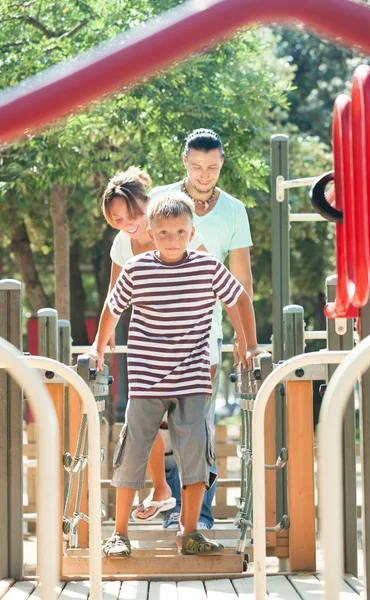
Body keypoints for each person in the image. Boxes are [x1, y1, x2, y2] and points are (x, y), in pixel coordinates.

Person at [88, 192, 260, 557]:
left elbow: (239, 299)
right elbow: (112, 308)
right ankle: (120, 532)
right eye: (164, 232)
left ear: (192, 231)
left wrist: (246, 343)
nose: (172, 239)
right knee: (132, 449)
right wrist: (97, 348)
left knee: (195, 452)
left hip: (193, 378)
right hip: (147, 378)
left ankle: (190, 530)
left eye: (180, 231)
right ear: (150, 233)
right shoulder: (137, 269)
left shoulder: (207, 266)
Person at [136, 128, 255, 529]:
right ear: (185, 161)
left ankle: (199, 516)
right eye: (197, 166)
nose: (205, 174)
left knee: (197, 422)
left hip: (205, 332)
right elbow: (136, 254)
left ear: (222, 162)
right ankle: (172, 509)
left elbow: (241, 284)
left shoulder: (234, 210)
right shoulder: (163, 202)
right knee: (164, 427)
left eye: (213, 167)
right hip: (157, 332)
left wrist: (245, 338)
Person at [99, 165, 221, 525]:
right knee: (146, 423)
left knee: (191, 428)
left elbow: (211, 285)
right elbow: (114, 296)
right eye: (119, 220)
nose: (128, 224)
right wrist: (100, 345)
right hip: (152, 345)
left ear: (147, 205)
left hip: (195, 340)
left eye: (133, 215)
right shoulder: (125, 243)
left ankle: (195, 517)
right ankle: (161, 491)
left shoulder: (177, 233)